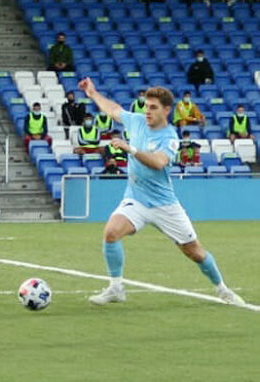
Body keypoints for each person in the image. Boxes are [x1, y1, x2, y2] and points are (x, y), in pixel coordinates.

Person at [77, 77, 244, 307]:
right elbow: (114, 110)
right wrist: (93, 94)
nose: (147, 111)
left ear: (166, 110)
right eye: (146, 106)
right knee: (111, 233)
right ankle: (116, 288)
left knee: (194, 252)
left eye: (153, 107)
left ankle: (223, 289)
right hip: (136, 199)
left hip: (165, 205)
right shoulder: (136, 121)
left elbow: (158, 162)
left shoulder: (170, 137)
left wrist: (131, 149)